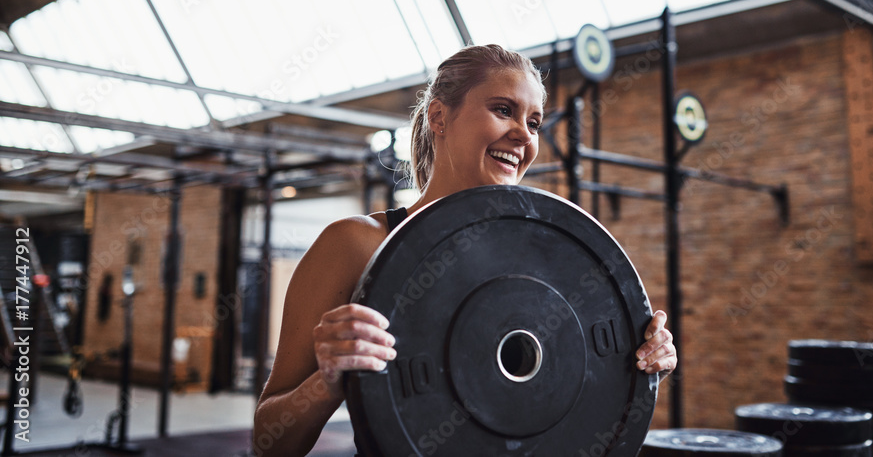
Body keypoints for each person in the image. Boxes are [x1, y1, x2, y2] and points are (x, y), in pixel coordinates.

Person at [252, 44, 677, 456]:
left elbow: (582, 400)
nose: (522, 135)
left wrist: (638, 359)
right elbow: (268, 442)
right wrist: (326, 382)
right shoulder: (356, 244)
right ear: (439, 116)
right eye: (503, 110)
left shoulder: (544, 257)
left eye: (534, 123)